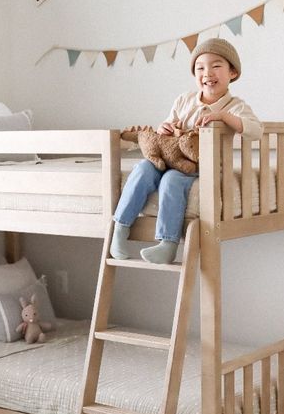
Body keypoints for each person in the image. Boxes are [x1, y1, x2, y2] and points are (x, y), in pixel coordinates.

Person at [111, 38, 263, 264]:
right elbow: (167, 127)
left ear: (232, 72)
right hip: (169, 157)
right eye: (200, 68)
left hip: (200, 166)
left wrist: (223, 117)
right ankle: (120, 229)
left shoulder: (235, 106)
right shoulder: (184, 100)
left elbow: (256, 130)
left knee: (172, 180)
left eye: (216, 66)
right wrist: (165, 128)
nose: (207, 72)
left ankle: (167, 244)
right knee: (143, 168)